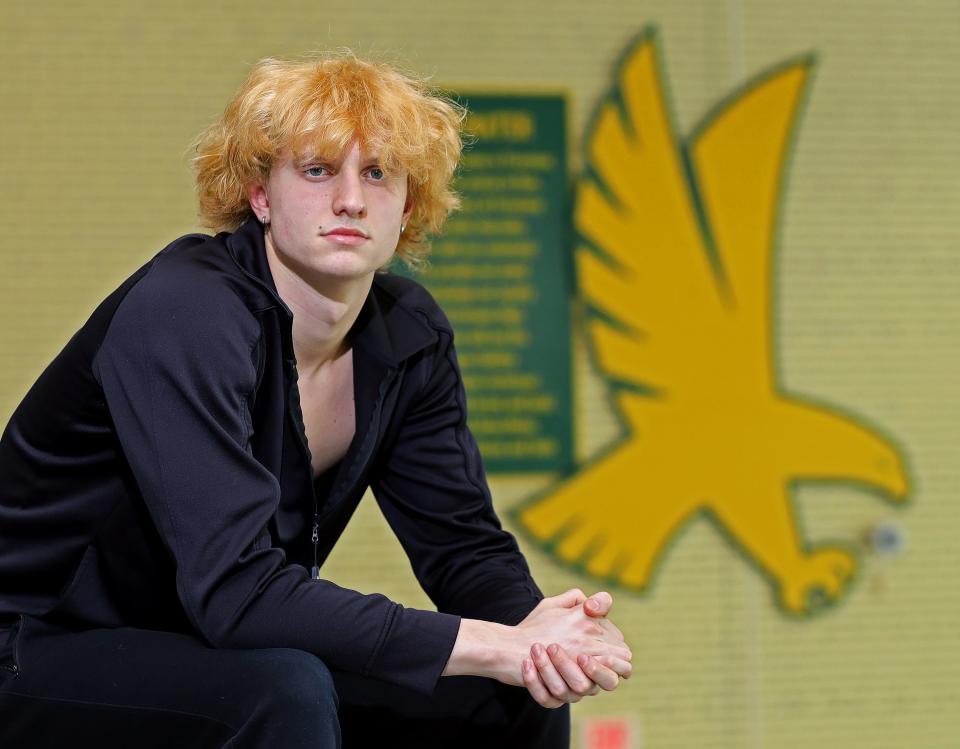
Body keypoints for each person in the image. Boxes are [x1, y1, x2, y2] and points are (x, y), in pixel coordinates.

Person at [0, 52, 632, 748]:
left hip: (196, 640)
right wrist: (489, 643)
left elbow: (463, 549)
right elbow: (238, 593)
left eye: (378, 173)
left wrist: (545, 638)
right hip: (33, 645)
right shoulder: (187, 309)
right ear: (261, 195)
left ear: (408, 206)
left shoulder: (407, 335)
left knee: (517, 693)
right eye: (318, 170)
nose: (351, 200)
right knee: (283, 689)